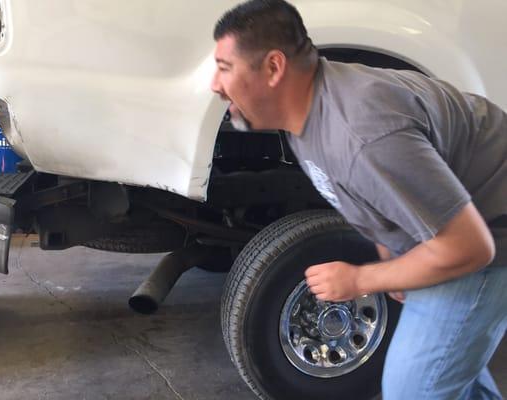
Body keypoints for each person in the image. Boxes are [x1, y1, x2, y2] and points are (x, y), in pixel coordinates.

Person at [211, 0, 507, 399]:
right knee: (448, 376)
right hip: (457, 226)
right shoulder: (306, 113)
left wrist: (361, 279)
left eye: (225, 67)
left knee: (414, 390)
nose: (215, 83)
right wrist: (392, 257)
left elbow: (471, 248)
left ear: (273, 68)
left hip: (490, 231)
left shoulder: (362, 134)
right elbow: (372, 197)